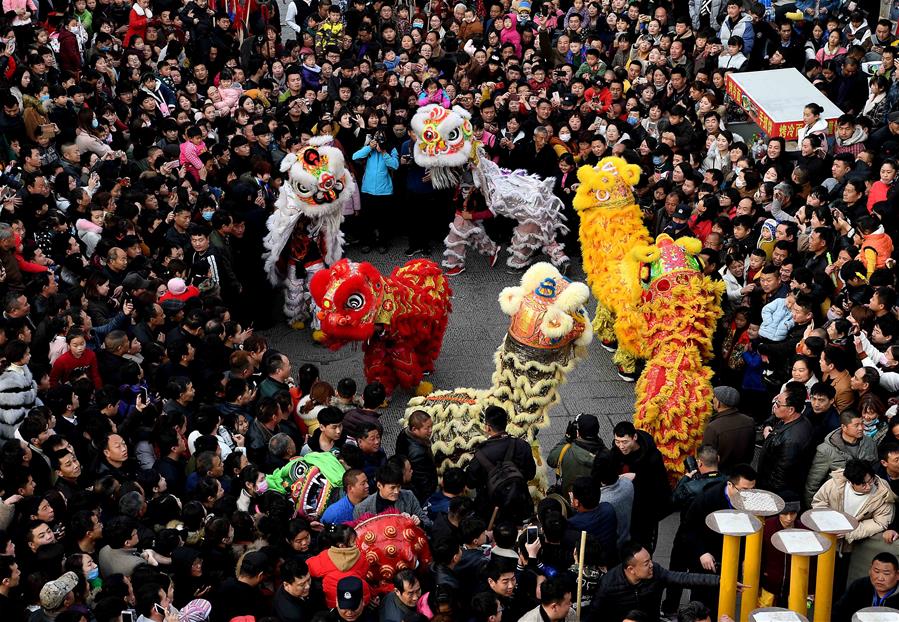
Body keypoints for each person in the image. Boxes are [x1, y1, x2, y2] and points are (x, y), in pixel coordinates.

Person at [587, 541, 723, 622]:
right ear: (631, 569)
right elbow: (594, 615)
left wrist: (721, 581)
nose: (651, 565)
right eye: (646, 563)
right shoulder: (608, 585)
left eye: (650, 560)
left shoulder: (656, 572)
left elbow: (683, 578)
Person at [606, 421, 672, 553]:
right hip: (623, 508)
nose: (621, 446)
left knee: (643, 546)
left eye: (625, 441)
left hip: (644, 511)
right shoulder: (615, 453)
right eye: (617, 441)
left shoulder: (652, 457)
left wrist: (637, 478)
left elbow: (660, 486)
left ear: (634, 437)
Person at [466, 406, 537, 524]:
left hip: (492, 513)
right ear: (506, 423)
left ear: (488, 427)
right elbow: (531, 474)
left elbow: (470, 482)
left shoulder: (480, 454)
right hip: (520, 506)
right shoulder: (522, 445)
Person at [548, 413, 606, 494]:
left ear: (578, 433)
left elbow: (551, 460)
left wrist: (567, 438)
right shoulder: (605, 456)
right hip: (593, 500)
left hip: (568, 497)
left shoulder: (566, 451)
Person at [702, 386, 755, 471]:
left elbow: (707, 459)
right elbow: (750, 451)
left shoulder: (713, 427)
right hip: (741, 472)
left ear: (718, 403)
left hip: (720, 475)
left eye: (714, 397)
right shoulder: (749, 421)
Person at [834, 552, 899, 621]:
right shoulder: (859, 586)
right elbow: (839, 612)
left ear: (897, 575)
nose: (880, 578)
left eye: (886, 573)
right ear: (870, 571)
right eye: (876, 572)